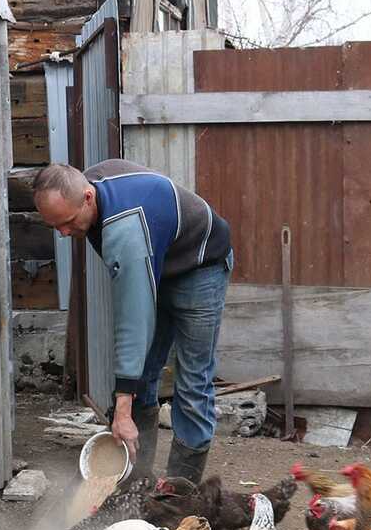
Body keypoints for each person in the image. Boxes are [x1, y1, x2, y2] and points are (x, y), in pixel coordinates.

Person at [32, 159, 233, 485]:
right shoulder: (91, 185)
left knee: (193, 383)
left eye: (67, 223)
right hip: (158, 258)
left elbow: (133, 323)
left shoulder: (124, 229)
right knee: (143, 373)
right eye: (55, 227)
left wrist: (122, 412)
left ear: (87, 197)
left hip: (200, 265)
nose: (65, 233)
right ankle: (136, 483)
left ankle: (177, 496)